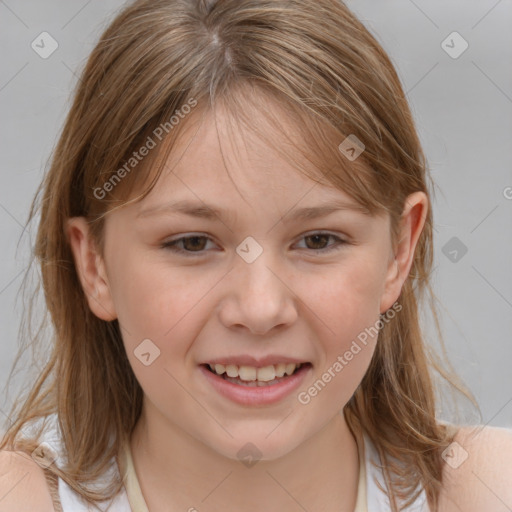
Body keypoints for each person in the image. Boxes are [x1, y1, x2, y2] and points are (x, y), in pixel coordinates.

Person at [1, 0, 511, 511]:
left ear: (400, 251)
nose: (261, 309)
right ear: (95, 266)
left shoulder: (484, 490)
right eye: (192, 243)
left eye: (318, 240)